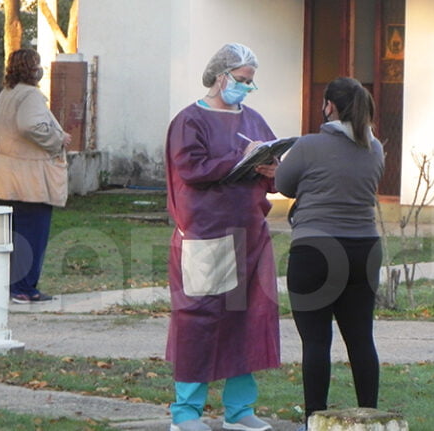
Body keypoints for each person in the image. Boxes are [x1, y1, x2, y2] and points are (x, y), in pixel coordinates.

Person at [164, 43, 280, 431]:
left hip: (250, 234)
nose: (247, 89)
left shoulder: (255, 120)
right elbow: (191, 169)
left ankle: (239, 410)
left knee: (247, 319)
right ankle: (186, 412)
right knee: (199, 319)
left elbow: (274, 170)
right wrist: (240, 158)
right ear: (221, 76)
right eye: (242, 81)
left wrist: (271, 171)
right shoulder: (190, 121)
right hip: (205, 235)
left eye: (251, 83)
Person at [275, 77, 385, 428]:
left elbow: (284, 185)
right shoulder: (375, 147)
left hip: (315, 250)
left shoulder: (309, 145)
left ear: (330, 107)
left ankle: (314, 419)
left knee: (317, 343)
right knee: (361, 339)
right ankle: (369, 416)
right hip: (364, 249)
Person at [0, 48, 71, 303]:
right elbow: (29, 125)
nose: (40, 70)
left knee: (12, 234)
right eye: (37, 65)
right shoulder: (31, 94)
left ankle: (9, 285)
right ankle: (24, 287)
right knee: (33, 233)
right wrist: (59, 139)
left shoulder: (7, 93)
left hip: (6, 175)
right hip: (28, 177)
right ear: (30, 69)